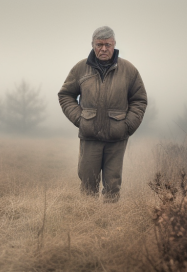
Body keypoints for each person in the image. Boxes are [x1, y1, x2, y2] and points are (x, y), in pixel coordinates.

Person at [58, 26, 147, 201]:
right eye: (99, 44)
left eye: (108, 44)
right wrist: (80, 119)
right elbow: (66, 95)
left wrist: (127, 125)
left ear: (114, 44)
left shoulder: (129, 70)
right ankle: (88, 224)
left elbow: (139, 100)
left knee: (113, 186)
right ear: (92, 45)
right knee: (88, 184)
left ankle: (109, 223)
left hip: (117, 138)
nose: (104, 49)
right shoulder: (80, 69)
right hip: (90, 136)